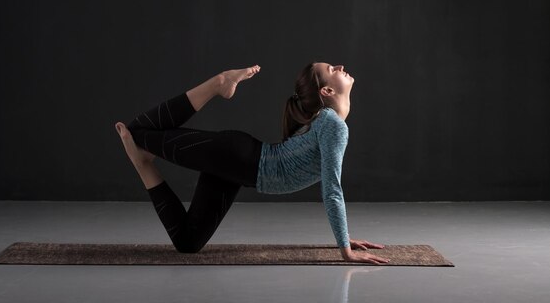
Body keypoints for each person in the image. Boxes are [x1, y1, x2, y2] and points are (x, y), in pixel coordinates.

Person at [115, 63, 390, 265]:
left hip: (239, 169)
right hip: (236, 156)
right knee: (138, 131)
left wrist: (345, 237)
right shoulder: (332, 124)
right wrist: (345, 248)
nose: (340, 66)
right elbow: (332, 189)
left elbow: (330, 186)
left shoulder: (327, 122)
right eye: (333, 68)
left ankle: (142, 164)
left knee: (187, 243)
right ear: (328, 89)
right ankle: (218, 83)